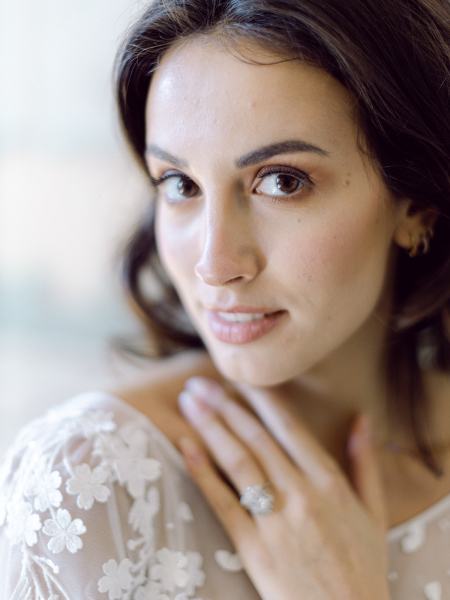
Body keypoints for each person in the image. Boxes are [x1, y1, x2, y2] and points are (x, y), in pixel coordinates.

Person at [1, 0, 449, 597]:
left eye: (281, 181)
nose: (215, 264)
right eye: (180, 184)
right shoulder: (91, 483)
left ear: (415, 207)